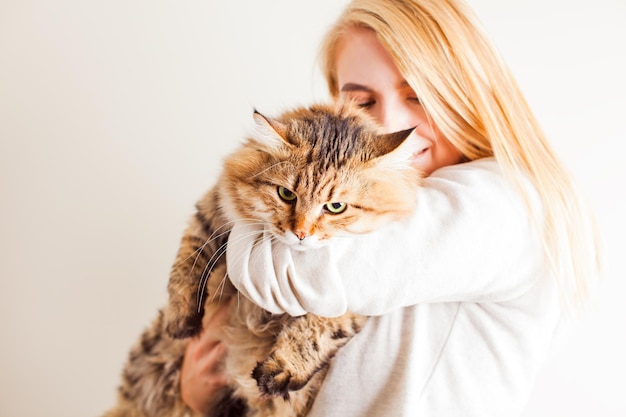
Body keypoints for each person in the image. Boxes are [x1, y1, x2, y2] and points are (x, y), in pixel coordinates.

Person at [182, 0, 601, 415]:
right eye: (362, 103)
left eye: (417, 96)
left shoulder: (504, 202)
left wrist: (256, 194)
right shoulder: (367, 203)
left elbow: (282, 272)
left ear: (465, 92)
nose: (389, 123)